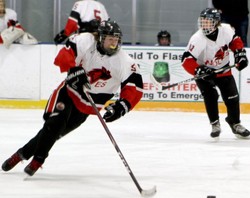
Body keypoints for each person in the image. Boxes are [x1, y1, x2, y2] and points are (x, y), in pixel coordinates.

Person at [2, 20, 144, 176]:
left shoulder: (124, 61)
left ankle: (20, 154)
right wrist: (74, 69)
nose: (113, 43)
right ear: (100, 38)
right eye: (110, 39)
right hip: (69, 93)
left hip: (87, 107)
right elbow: (64, 56)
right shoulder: (85, 40)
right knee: (54, 124)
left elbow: (134, 88)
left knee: (53, 134)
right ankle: (38, 161)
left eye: (116, 39)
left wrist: (121, 106)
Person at [181, 8, 250, 139]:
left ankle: (235, 123)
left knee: (233, 97)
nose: (204, 25)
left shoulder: (226, 29)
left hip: (223, 69)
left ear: (216, 22)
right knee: (211, 95)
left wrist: (240, 55)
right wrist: (199, 70)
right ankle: (215, 123)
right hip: (204, 72)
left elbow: (235, 42)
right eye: (202, 21)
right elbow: (186, 60)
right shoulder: (197, 38)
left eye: (207, 22)